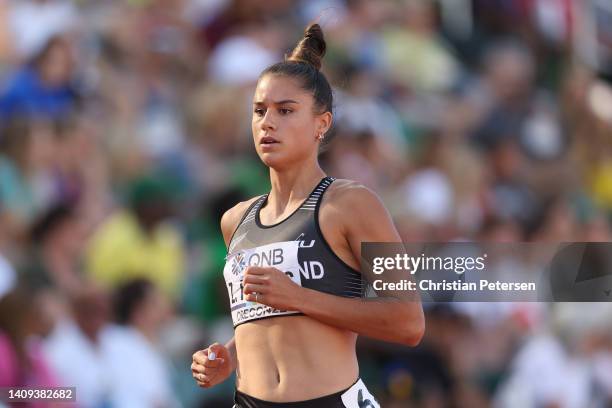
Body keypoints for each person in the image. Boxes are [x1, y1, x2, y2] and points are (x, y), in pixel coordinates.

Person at [191, 23, 425, 408]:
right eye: (259, 111)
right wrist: (230, 355)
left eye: (285, 111)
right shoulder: (235, 220)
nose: (268, 122)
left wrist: (299, 297)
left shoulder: (351, 204)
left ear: (322, 124)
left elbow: (408, 322)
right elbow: (268, 317)